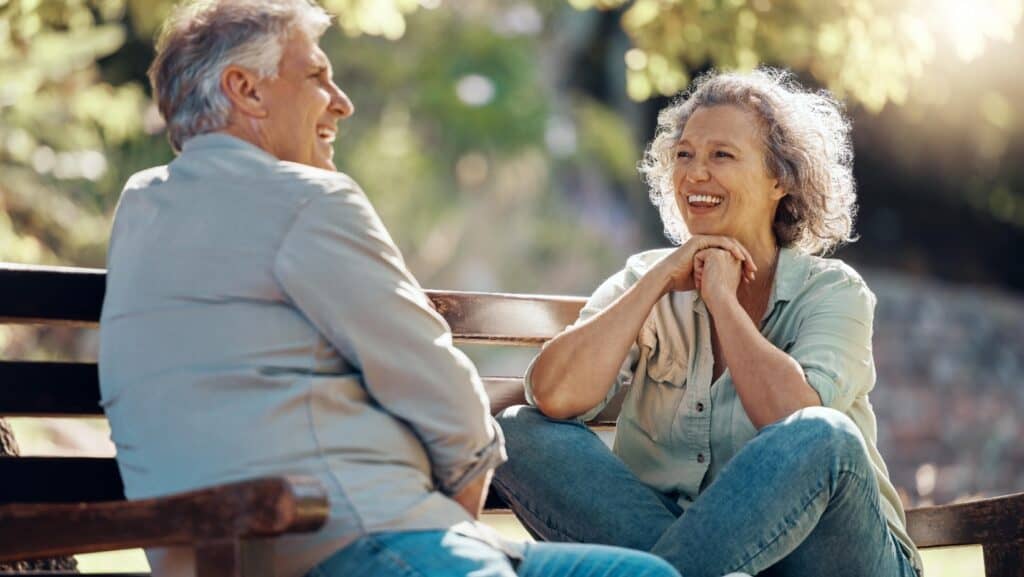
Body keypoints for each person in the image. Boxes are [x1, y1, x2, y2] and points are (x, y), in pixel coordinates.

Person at [97, 1, 679, 577]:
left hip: (224, 547)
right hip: (350, 537)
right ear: (246, 90)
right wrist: (448, 527)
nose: (342, 102)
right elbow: (442, 392)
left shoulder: (142, 205)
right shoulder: (309, 200)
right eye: (318, 76)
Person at [492, 68, 924, 577]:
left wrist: (722, 299)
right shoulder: (644, 277)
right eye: (684, 155)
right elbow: (553, 395)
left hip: (833, 557)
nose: (695, 173)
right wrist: (654, 284)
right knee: (519, 431)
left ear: (780, 180)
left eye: (721, 155)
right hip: (686, 544)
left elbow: (791, 421)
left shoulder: (833, 291)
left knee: (823, 435)